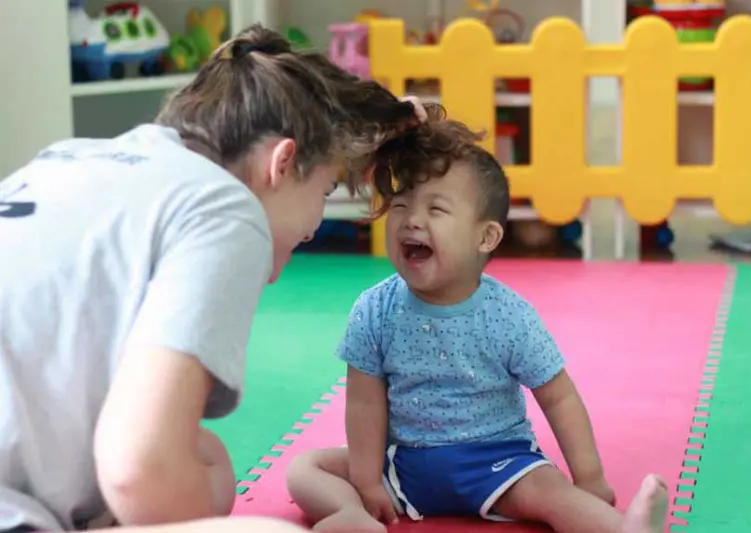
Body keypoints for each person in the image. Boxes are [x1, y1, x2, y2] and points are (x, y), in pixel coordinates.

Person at [0, 23, 427, 533]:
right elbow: (139, 474)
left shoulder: (73, 159)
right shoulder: (226, 208)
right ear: (283, 163)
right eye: (327, 187)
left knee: (204, 458)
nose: (317, 221)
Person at [285, 106, 669, 533]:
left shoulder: (508, 315)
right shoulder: (374, 309)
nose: (412, 219)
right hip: (403, 464)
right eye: (400, 204)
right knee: (306, 467)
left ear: (484, 237)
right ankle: (352, 516)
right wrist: (366, 481)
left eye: (436, 209)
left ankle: (624, 530)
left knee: (555, 496)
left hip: (498, 462)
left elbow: (558, 397)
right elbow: (363, 401)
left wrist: (590, 477)